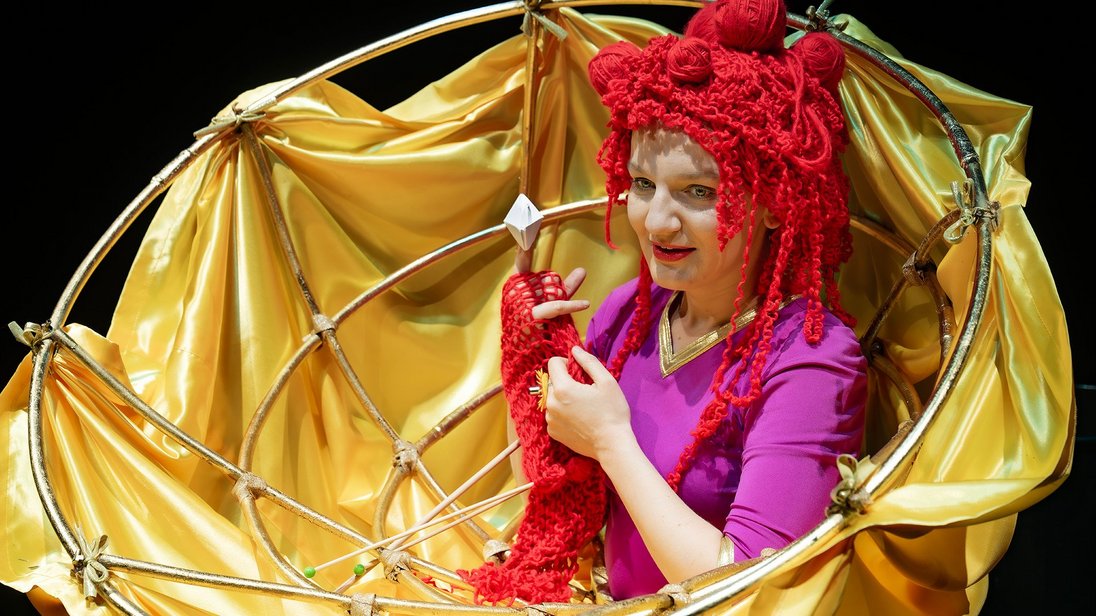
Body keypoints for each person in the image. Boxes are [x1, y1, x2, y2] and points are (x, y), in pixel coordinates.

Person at [515, 0, 868, 600]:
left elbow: (753, 588)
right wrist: (530, 358)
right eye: (642, 184)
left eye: (698, 191)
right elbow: (551, 488)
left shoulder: (811, 360)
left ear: (775, 203)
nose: (657, 221)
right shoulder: (628, 315)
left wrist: (612, 441)